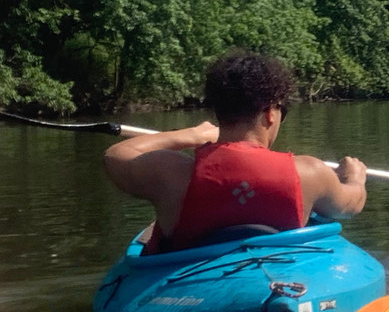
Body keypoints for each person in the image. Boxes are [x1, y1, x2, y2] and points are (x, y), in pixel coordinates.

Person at [104, 50, 368, 253]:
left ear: (218, 111)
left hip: (193, 282)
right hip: (280, 277)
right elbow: (350, 204)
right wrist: (354, 176)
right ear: (269, 114)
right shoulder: (310, 172)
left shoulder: (172, 173)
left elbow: (117, 155)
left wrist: (190, 136)